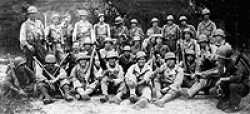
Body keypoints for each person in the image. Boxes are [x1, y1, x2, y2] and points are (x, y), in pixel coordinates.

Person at [211, 45, 249, 113]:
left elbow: (238, 78)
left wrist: (223, 79)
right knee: (215, 90)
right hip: (237, 82)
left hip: (244, 85)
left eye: (220, 58)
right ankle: (227, 101)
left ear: (225, 58)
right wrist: (221, 69)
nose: (218, 59)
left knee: (233, 86)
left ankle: (234, 106)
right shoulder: (227, 63)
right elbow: (224, 75)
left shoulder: (236, 63)